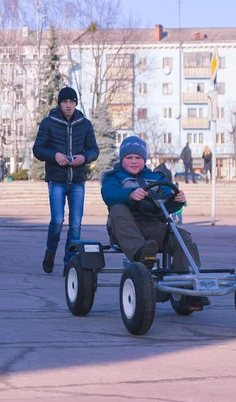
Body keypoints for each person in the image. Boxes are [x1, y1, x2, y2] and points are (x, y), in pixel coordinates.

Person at [101, 136, 209, 307]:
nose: (134, 162)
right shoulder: (113, 177)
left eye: (138, 158)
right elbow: (109, 195)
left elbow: (167, 203)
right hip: (125, 229)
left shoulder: (156, 177)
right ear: (122, 159)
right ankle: (140, 256)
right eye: (129, 158)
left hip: (153, 226)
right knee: (117, 208)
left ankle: (186, 286)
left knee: (183, 237)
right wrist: (129, 195)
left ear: (144, 160)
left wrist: (177, 199)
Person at [33, 86, 99, 274]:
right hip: (57, 180)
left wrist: (84, 157)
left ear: (76, 104)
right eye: (65, 102)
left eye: (71, 102)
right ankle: (50, 252)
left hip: (77, 180)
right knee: (57, 220)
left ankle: (69, 262)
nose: (68, 105)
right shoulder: (48, 123)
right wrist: (55, 155)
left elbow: (94, 150)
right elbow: (38, 149)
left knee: (76, 224)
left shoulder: (85, 124)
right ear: (60, 104)